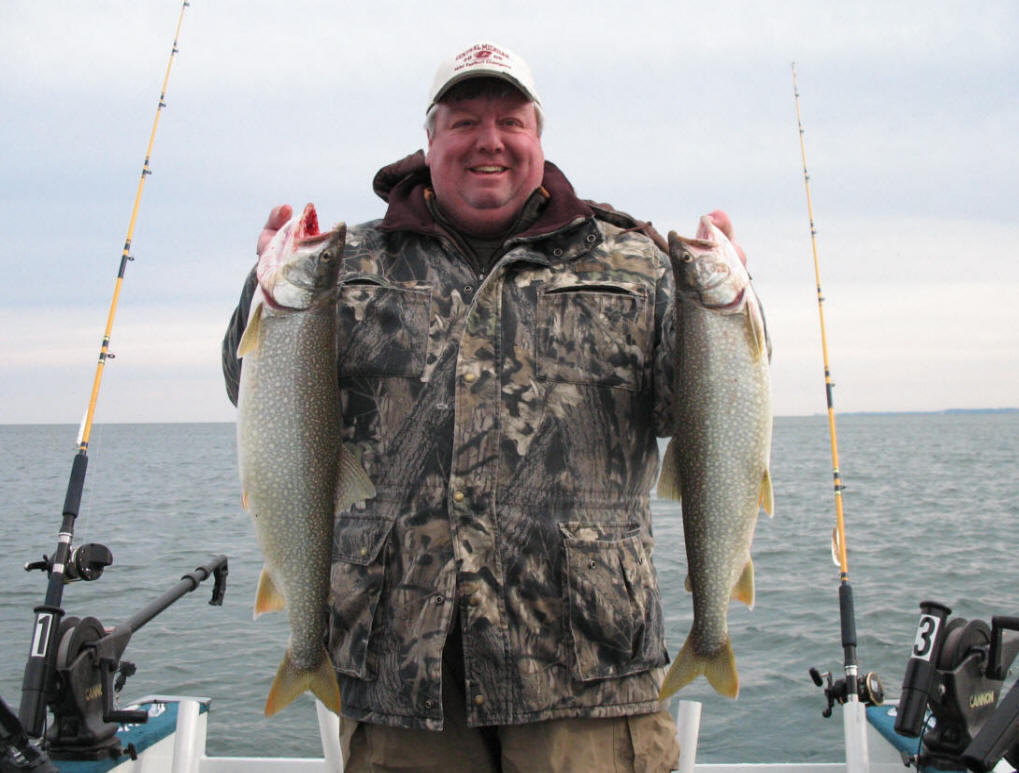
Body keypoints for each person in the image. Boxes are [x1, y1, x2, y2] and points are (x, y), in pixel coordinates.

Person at [222, 41, 748, 772]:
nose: (489, 140)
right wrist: (262, 297)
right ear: (430, 139)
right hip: (403, 673)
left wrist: (722, 322)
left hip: (588, 670)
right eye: (465, 121)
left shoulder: (636, 260)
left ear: (538, 137)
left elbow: (693, 412)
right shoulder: (347, 261)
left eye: (511, 121)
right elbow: (259, 395)